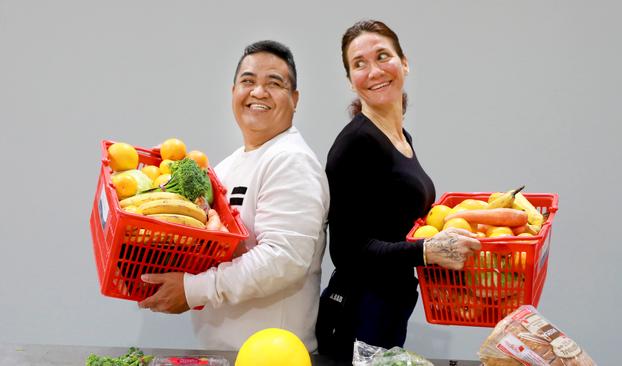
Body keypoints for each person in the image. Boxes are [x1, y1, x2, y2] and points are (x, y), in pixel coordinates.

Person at [138, 40, 330, 353]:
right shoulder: (227, 167)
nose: (258, 92)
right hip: (225, 352)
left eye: (274, 83)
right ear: (233, 93)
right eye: (248, 81)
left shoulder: (291, 160)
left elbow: (283, 259)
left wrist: (193, 289)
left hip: (272, 356)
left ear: (294, 100)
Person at [316, 20, 481, 360]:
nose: (373, 71)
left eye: (382, 56)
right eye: (359, 64)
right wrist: (426, 252)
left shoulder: (403, 140)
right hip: (357, 315)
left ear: (404, 63)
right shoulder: (354, 144)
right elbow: (347, 252)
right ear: (350, 80)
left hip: (390, 308)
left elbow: (395, 226)